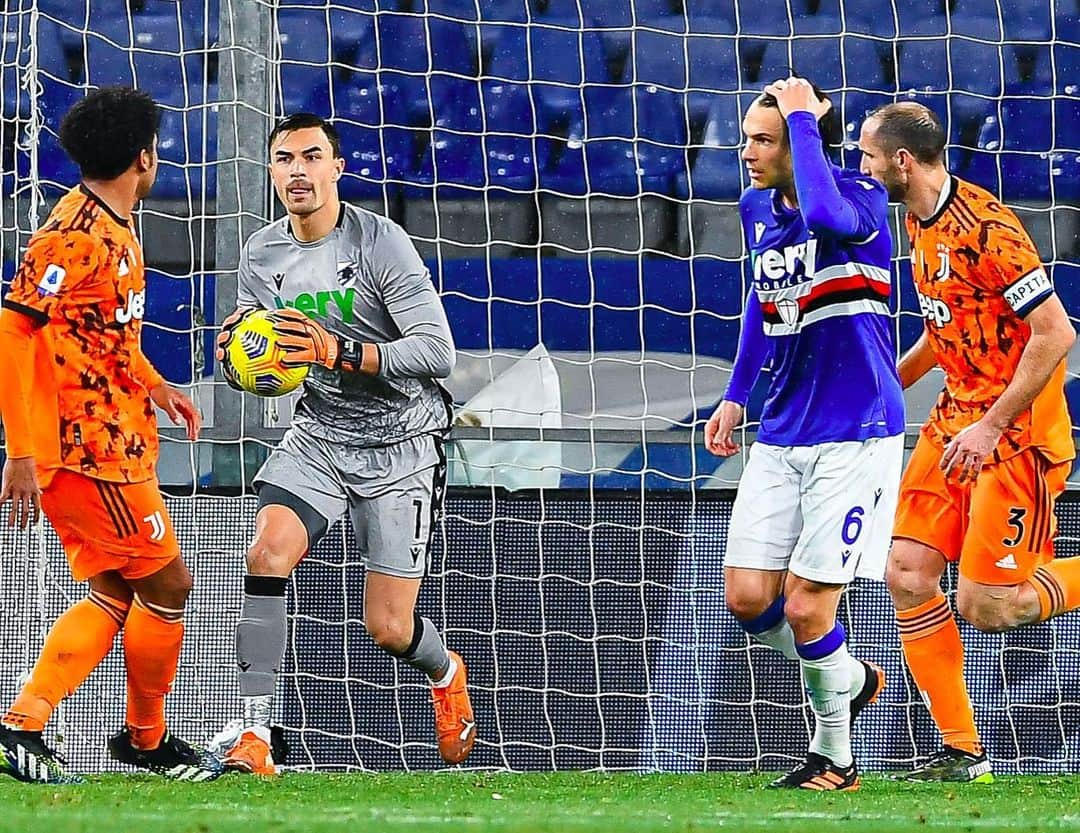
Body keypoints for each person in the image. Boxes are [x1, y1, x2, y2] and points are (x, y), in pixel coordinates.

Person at [214, 113, 473, 775]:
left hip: (403, 442)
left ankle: (445, 672)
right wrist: (240, 352)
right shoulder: (261, 254)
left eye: (310, 157)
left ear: (337, 168)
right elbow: (266, 351)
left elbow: (438, 352)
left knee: (389, 627)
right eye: (283, 160)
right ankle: (255, 734)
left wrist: (340, 350)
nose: (297, 171)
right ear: (271, 173)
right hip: (321, 434)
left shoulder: (380, 242)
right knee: (265, 554)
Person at [0, 86, 221, 783]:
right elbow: (13, 328)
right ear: (145, 157)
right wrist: (21, 451)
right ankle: (141, 739)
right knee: (170, 586)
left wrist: (153, 384)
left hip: (115, 438)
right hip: (90, 452)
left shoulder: (110, 222)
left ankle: (28, 724)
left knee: (115, 594)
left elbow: (100, 331)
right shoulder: (75, 234)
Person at [859, 101, 1077, 783]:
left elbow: (1056, 333)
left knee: (987, 607)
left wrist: (990, 425)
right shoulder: (917, 222)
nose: (859, 168)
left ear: (901, 161)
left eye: (866, 155)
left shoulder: (988, 229)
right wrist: (890, 384)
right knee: (906, 572)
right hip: (955, 421)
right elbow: (946, 325)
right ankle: (962, 751)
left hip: (1013, 434)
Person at [704, 77, 905, 791]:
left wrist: (803, 116)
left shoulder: (863, 200)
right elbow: (764, 304)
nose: (747, 152)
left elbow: (822, 210)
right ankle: (848, 676)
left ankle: (835, 758)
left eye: (764, 138)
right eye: (746, 138)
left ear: (802, 141)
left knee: (808, 604)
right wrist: (735, 396)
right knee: (746, 596)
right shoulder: (756, 207)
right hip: (784, 428)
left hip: (856, 432)